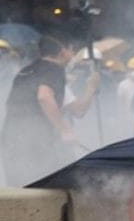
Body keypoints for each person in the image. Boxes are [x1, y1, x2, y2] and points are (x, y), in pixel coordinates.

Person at [1, 34, 98, 186]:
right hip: (34, 143)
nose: (73, 55)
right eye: (71, 49)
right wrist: (65, 130)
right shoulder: (53, 69)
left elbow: (78, 110)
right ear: (63, 51)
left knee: (19, 192)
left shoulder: (26, 71)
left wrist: (90, 88)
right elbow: (44, 97)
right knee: (51, 185)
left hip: (10, 141)